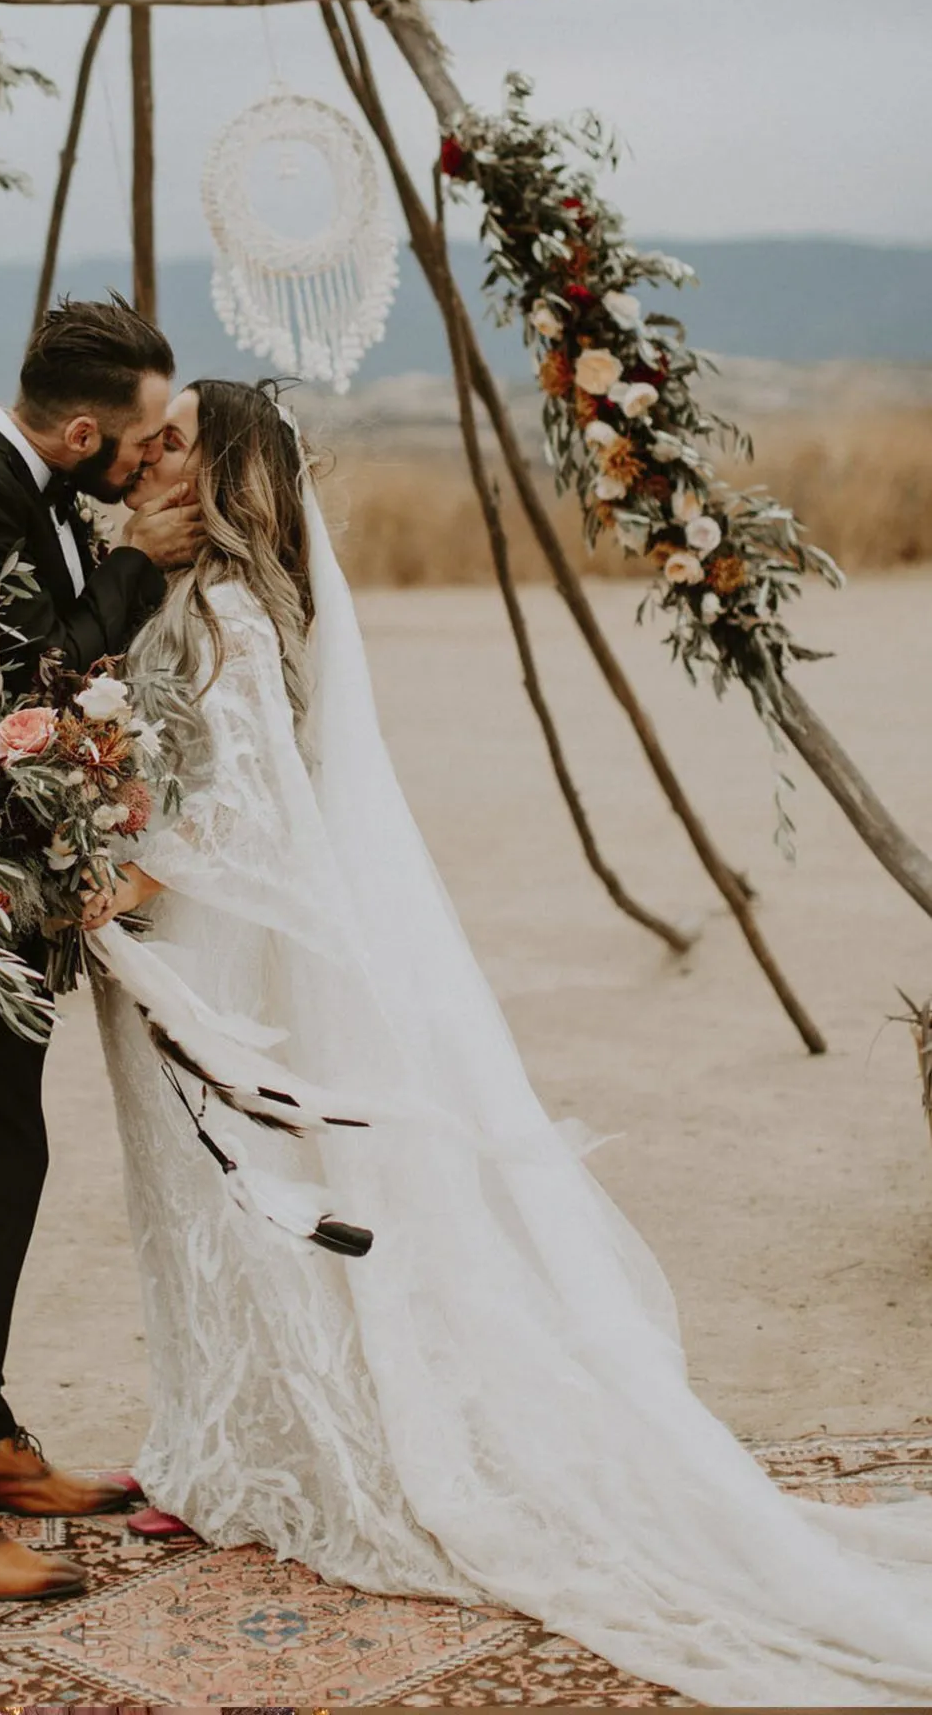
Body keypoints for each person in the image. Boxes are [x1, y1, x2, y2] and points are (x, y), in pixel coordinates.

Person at [81, 377, 932, 1705]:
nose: (145, 456)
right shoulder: (175, 595)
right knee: (194, 1199)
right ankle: (210, 1443)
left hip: (215, 952)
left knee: (247, 1197)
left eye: (175, 441)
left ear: (228, 475)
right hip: (179, 938)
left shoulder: (232, 612)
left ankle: (263, 1460)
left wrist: (111, 884)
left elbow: (242, 817)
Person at [0, 297, 201, 1605]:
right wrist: (143, 567)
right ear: (79, 433)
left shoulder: (34, 491)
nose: (147, 464)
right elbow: (25, 694)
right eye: (140, 442)